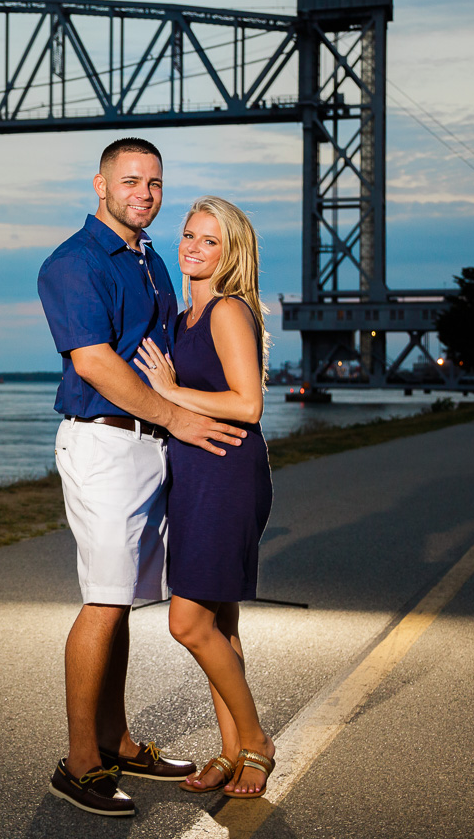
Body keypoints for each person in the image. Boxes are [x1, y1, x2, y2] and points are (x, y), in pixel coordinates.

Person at [37, 139, 246, 817]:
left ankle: (118, 740)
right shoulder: (72, 263)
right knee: (103, 599)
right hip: (104, 445)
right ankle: (79, 763)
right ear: (100, 184)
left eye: (154, 182)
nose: (144, 193)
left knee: (122, 597)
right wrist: (180, 420)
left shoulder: (150, 257)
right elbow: (96, 363)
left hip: (150, 443)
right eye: (130, 181)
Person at [132, 196, 276, 800]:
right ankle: (231, 751)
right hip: (193, 472)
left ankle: (256, 740)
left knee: (187, 622)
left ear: (232, 251)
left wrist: (168, 391)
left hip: (225, 471)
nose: (193, 246)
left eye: (209, 240)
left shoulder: (226, 312)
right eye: (189, 235)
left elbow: (248, 405)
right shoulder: (182, 317)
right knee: (221, 621)